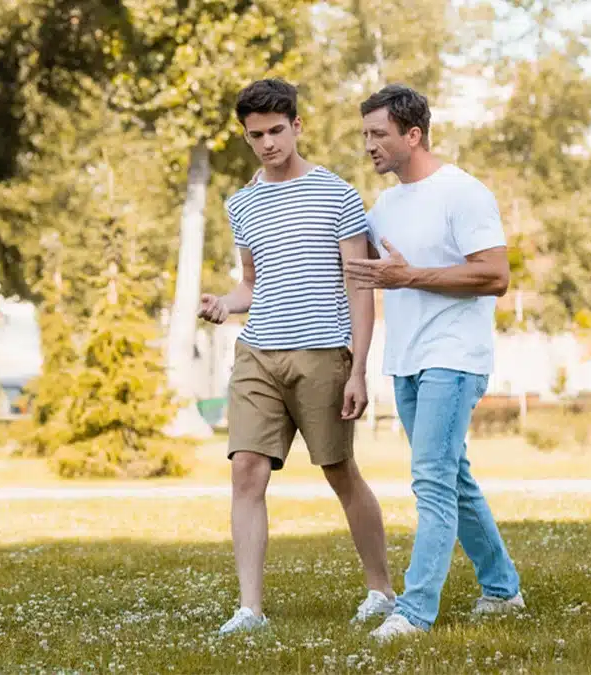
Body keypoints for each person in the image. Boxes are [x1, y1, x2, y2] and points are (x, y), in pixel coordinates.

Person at [197, 78, 395, 635]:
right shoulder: (241, 204)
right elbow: (251, 285)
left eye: (276, 131)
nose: (267, 144)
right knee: (246, 473)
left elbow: (361, 287)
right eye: (255, 135)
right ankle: (250, 610)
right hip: (259, 352)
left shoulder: (338, 195)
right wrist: (223, 303)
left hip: (322, 354)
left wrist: (358, 366)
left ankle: (380, 589)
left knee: (339, 471)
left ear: (297, 126)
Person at [344, 84, 526, 642]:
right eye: (366, 134)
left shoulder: (462, 193)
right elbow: (360, 271)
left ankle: (416, 611)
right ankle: (502, 589)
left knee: (431, 482)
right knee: (454, 478)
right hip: (406, 360)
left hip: (454, 356)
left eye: (379, 134)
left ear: (413, 134)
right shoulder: (384, 206)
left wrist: (412, 276)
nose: (369, 145)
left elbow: (495, 276)